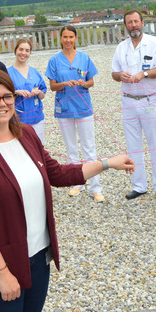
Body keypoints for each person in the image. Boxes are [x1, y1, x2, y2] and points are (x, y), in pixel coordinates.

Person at [0, 70, 134, 312]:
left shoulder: (26, 134)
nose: (1, 103)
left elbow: (56, 173)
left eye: (7, 96)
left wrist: (106, 163)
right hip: (0, 266)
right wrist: (2, 272)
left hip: (37, 260)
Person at [111, 10, 156, 202]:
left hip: (149, 100)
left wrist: (143, 74)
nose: (133, 25)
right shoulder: (121, 47)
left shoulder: (154, 42)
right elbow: (114, 73)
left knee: (155, 144)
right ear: (125, 26)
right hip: (128, 100)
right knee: (133, 146)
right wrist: (121, 76)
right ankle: (139, 185)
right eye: (129, 22)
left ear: (142, 22)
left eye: (136, 21)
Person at [45, 25, 103, 201]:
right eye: (65, 37)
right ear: (60, 39)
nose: (68, 40)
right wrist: (64, 83)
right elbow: (52, 86)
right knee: (71, 148)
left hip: (83, 107)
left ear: (75, 38)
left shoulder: (84, 57)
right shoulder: (54, 60)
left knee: (89, 148)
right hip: (64, 109)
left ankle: (95, 187)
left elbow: (91, 81)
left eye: (71, 37)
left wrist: (84, 83)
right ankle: (76, 183)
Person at [7, 38, 47, 142]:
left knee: (39, 146)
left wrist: (38, 92)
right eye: (21, 49)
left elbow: (42, 94)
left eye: (27, 50)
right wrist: (16, 92)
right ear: (15, 50)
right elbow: (3, 94)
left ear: (30, 53)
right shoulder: (7, 73)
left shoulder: (35, 72)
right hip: (18, 120)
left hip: (36, 118)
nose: (23, 53)